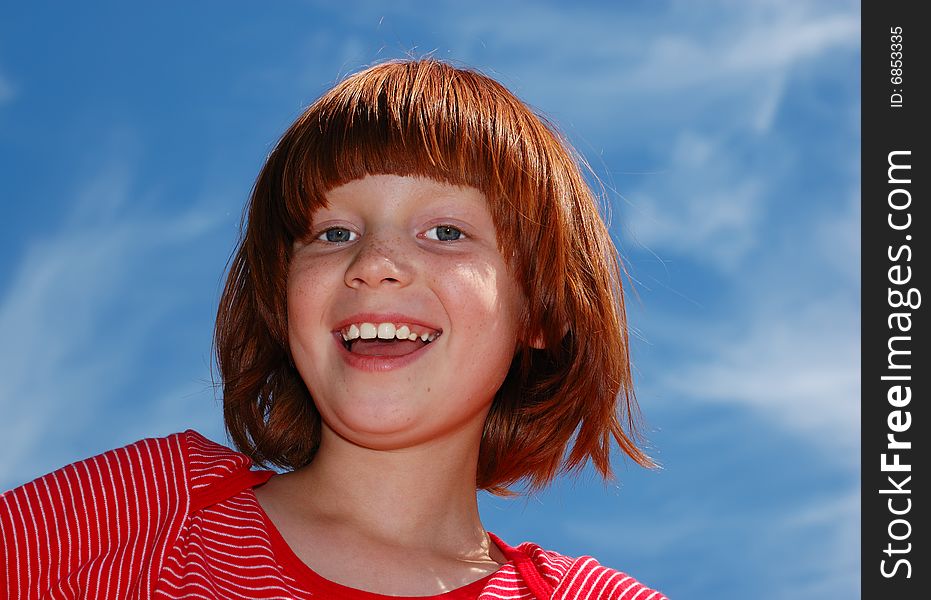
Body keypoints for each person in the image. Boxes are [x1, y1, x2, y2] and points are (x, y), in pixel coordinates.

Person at [0, 59, 666, 599]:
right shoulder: (145, 511)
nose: (372, 264)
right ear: (282, 297)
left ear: (543, 312)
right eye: (333, 232)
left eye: (444, 232)